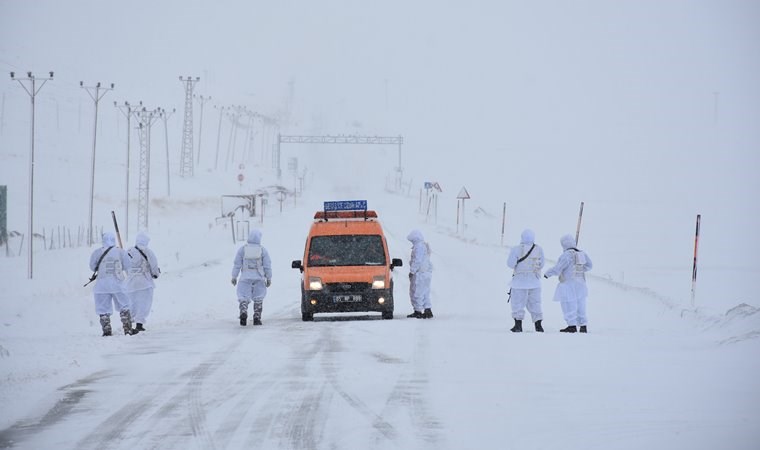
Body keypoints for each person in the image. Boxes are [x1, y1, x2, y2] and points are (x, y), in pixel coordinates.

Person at [543, 234, 593, 333]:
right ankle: (583, 326)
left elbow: (558, 269)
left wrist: (547, 274)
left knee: (569, 304)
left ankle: (572, 326)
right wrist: (581, 269)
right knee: (581, 304)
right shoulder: (582, 254)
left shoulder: (566, 255)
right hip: (581, 284)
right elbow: (589, 266)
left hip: (568, 284)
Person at [88, 232, 135, 336]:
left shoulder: (97, 252)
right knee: (124, 305)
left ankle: (106, 331)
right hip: (118, 283)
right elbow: (127, 265)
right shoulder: (120, 252)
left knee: (103, 308)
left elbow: (92, 266)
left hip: (102, 284)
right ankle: (127, 329)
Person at [506, 229, 545, 332]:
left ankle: (518, 326)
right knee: (535, 303)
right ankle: (538, 326)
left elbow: (510, 264)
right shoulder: (539, 249)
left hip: (519, 282)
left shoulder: (516, 249)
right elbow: (542, 264)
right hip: (534, 282)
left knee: (518, 304)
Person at [231, 229, 272, 326]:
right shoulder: (263, 250)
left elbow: (237, 264)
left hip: (245, 278)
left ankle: (243, 313)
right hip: (259, 278)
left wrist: (234, 276)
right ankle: (257, 317)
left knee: (243, 297)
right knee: (258, 298)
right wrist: (268, 278)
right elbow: (267, 266)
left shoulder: (242, 249)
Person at [125, 231, 161, 333]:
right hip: (144, 282)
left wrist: (130, 275)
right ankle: (139, 324)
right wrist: (156, 274)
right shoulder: (147, 252)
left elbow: (125, 266)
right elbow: (153, 265)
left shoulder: (129, 251)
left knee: (132, 303)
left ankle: (128, 323)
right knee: (143, 303)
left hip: (130, 282)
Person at [406, 229, 434, 319]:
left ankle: (417, 311)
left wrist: (412, 271)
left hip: (419, 274)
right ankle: (427, 309)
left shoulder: (418, 247)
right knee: (425, 292)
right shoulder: (424, 246)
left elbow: (417, 260)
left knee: (416, 292)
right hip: (426, 273)